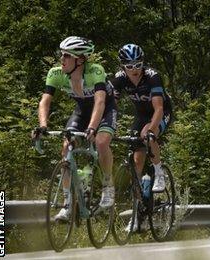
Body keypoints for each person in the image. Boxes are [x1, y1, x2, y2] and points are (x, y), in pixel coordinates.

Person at [34, 36, 117, 220]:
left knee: (102, 143)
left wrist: (93, 128)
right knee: (66, 146)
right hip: (81, 111)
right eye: (61, 54)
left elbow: (101, 101)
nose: (61, 59)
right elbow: (45, 101)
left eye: (66, 56)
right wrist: (42, 125)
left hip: (104, 110)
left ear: (80, 60)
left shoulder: (95, 71)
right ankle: (68, 204)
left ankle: (107, 185)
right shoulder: (56, 74)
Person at [110, 44, 173, 193]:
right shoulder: (120, 78)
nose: (134, 70)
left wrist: (151, 130)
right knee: (137, 160)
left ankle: (159, 173)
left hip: (161, 112)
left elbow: (159, 108)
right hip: (141, 115)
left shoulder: (152, 76)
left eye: (138, 65)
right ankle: (138, 204)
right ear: (122, 66)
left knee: (147, 136)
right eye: (129, 66)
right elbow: (110, 106)